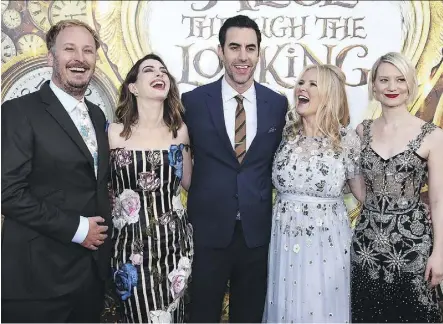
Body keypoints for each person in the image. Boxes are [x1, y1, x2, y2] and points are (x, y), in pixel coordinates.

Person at [1, 20, 111, 322]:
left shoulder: (97, 113)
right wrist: (77, 229)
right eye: (70, 49)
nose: (80, 57)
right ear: (51, 58)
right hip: (37, 283)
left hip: (89, 279)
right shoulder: (19, 111)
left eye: (88, 50)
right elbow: (7, 193)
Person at [182, 15, 288, 323]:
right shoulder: (192, 102)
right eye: (234, 47)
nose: (242, 57)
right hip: (207, 232)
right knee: (201, 314)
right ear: (220, 51)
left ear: (259, 53)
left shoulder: (277, 104)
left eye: (250, 48)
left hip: (256, 235)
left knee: (249, 316)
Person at [263, 64, 365, 323]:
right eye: (300, 82)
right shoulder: (284, 134)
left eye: (312, 84)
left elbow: (363, 194)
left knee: (321, 309)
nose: (302, 88)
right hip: (283, 243)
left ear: (329, 94)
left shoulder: (347, 141)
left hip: (328, 244)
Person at [351, 52, 443, 322]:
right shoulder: (361, 131)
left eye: (400, 79)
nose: (392, 87)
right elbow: (357, 185)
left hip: (413, 249)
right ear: (374, 87)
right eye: (384, 80)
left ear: (411, 84)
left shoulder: (433, 135)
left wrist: (439, 253)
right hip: (366, 247)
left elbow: (438, 201)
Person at [107, 53, 194, 323]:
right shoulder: (113, 132)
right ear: (133, 87)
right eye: (149, 70)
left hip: (174, 248)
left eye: (163, 71)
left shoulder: (179, 131)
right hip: (128, 252)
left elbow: (189, 183)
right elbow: (104, 187)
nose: (159, 74)